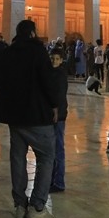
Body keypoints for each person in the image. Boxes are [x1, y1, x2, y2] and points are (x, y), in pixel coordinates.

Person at [0, 18, 58, 218]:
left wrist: (5, 94)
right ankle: (37, 207)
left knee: (18, 158)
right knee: (46, 156)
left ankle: (20, 206)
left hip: (15, 117)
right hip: (36, 115)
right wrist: (54, 104)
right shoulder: (37, 51)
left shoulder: (8, 52)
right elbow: (47, 80)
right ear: (32, 33)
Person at [47, 45, 69, 193]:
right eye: (52, 58)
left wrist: (55, 109)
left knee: (58, 149)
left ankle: (59, 182)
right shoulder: (52, 72)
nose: (54, 61)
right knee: (53, 148)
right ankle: (53, 179)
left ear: (61, 60)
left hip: (58, 115)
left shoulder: (60, 74)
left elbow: (59, 95)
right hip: (54, 114)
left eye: (57, 59)